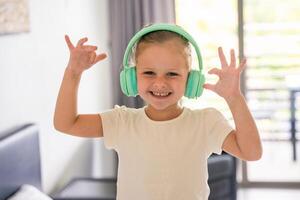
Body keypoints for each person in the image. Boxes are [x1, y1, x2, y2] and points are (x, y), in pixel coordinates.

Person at [54, 23, 262, 200]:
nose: (160, 83)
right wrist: (73, 73)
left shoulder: (206, 122)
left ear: (191, 80)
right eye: (149, 73)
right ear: (132, 77)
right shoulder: (121, 122)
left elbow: (251, 152)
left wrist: (234, 98)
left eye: (172, 73)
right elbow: (66, 123)